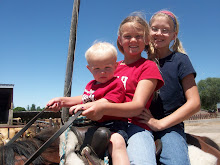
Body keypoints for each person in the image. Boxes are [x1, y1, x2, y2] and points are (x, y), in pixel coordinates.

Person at [72, 12, 164, 165]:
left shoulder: (148, 66)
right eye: (127, 36)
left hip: (135, 125)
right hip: (107, 123)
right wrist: (64, 102)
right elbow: (93, 96)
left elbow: (136, 107)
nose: (133, 40)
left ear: (147, 40)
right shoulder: (111, 67)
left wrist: (102, 108)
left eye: (139, 36)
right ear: (120, 40)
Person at [47, 42, 130, 165]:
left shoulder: (116, 84)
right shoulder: (91, 85)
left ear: (116, 66)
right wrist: (62, 101)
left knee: (117, 142)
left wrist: (84, 106)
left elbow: (106, 102)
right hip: (94, 123)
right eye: (97, 68)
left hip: (115, 125)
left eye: (107, 67)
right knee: (66, 139)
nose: (102, 72)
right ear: (89, 68)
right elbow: (83, 99)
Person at [137, 10, 201, 165]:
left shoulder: (180, 60)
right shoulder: (142, 64)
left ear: (174, 35)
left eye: (165, 30)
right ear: (148, 31)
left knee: (176, 161)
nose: (159, 33)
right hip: (140, 124)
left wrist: (160, 124)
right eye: (155, 29)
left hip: (169, 127)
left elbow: (194, 103)